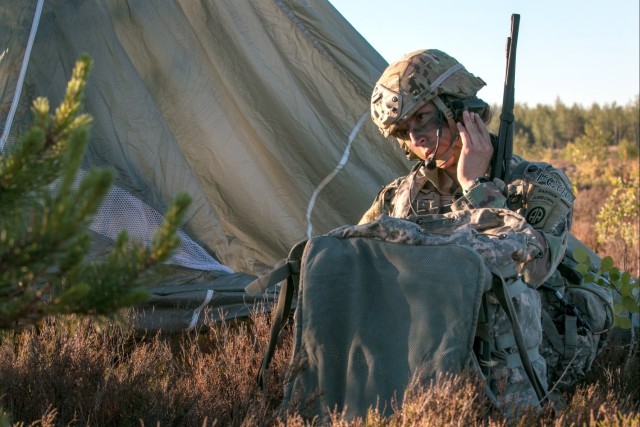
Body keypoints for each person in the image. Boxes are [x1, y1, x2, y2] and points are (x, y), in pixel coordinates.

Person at [360, 49, 575, 412]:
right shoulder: (399, 197)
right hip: (422, 349)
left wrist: (477, 187)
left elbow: (530, 269)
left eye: (423, 118)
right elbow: (360, 265)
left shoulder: (538, 185)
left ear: (460, 111)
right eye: (404, 129)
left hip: (514, 354)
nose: (416, 137)